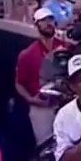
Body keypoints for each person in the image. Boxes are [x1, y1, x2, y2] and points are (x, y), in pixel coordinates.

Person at [17, 8, 68, 147]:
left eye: (50, 19)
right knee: (45, 146)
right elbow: (19, 83)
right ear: (37, 24)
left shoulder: (66, 48)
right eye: (44, 21)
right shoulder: (27, 54)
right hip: (41, 108)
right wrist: (30, 99)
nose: (48, 23)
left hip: (64, 105)